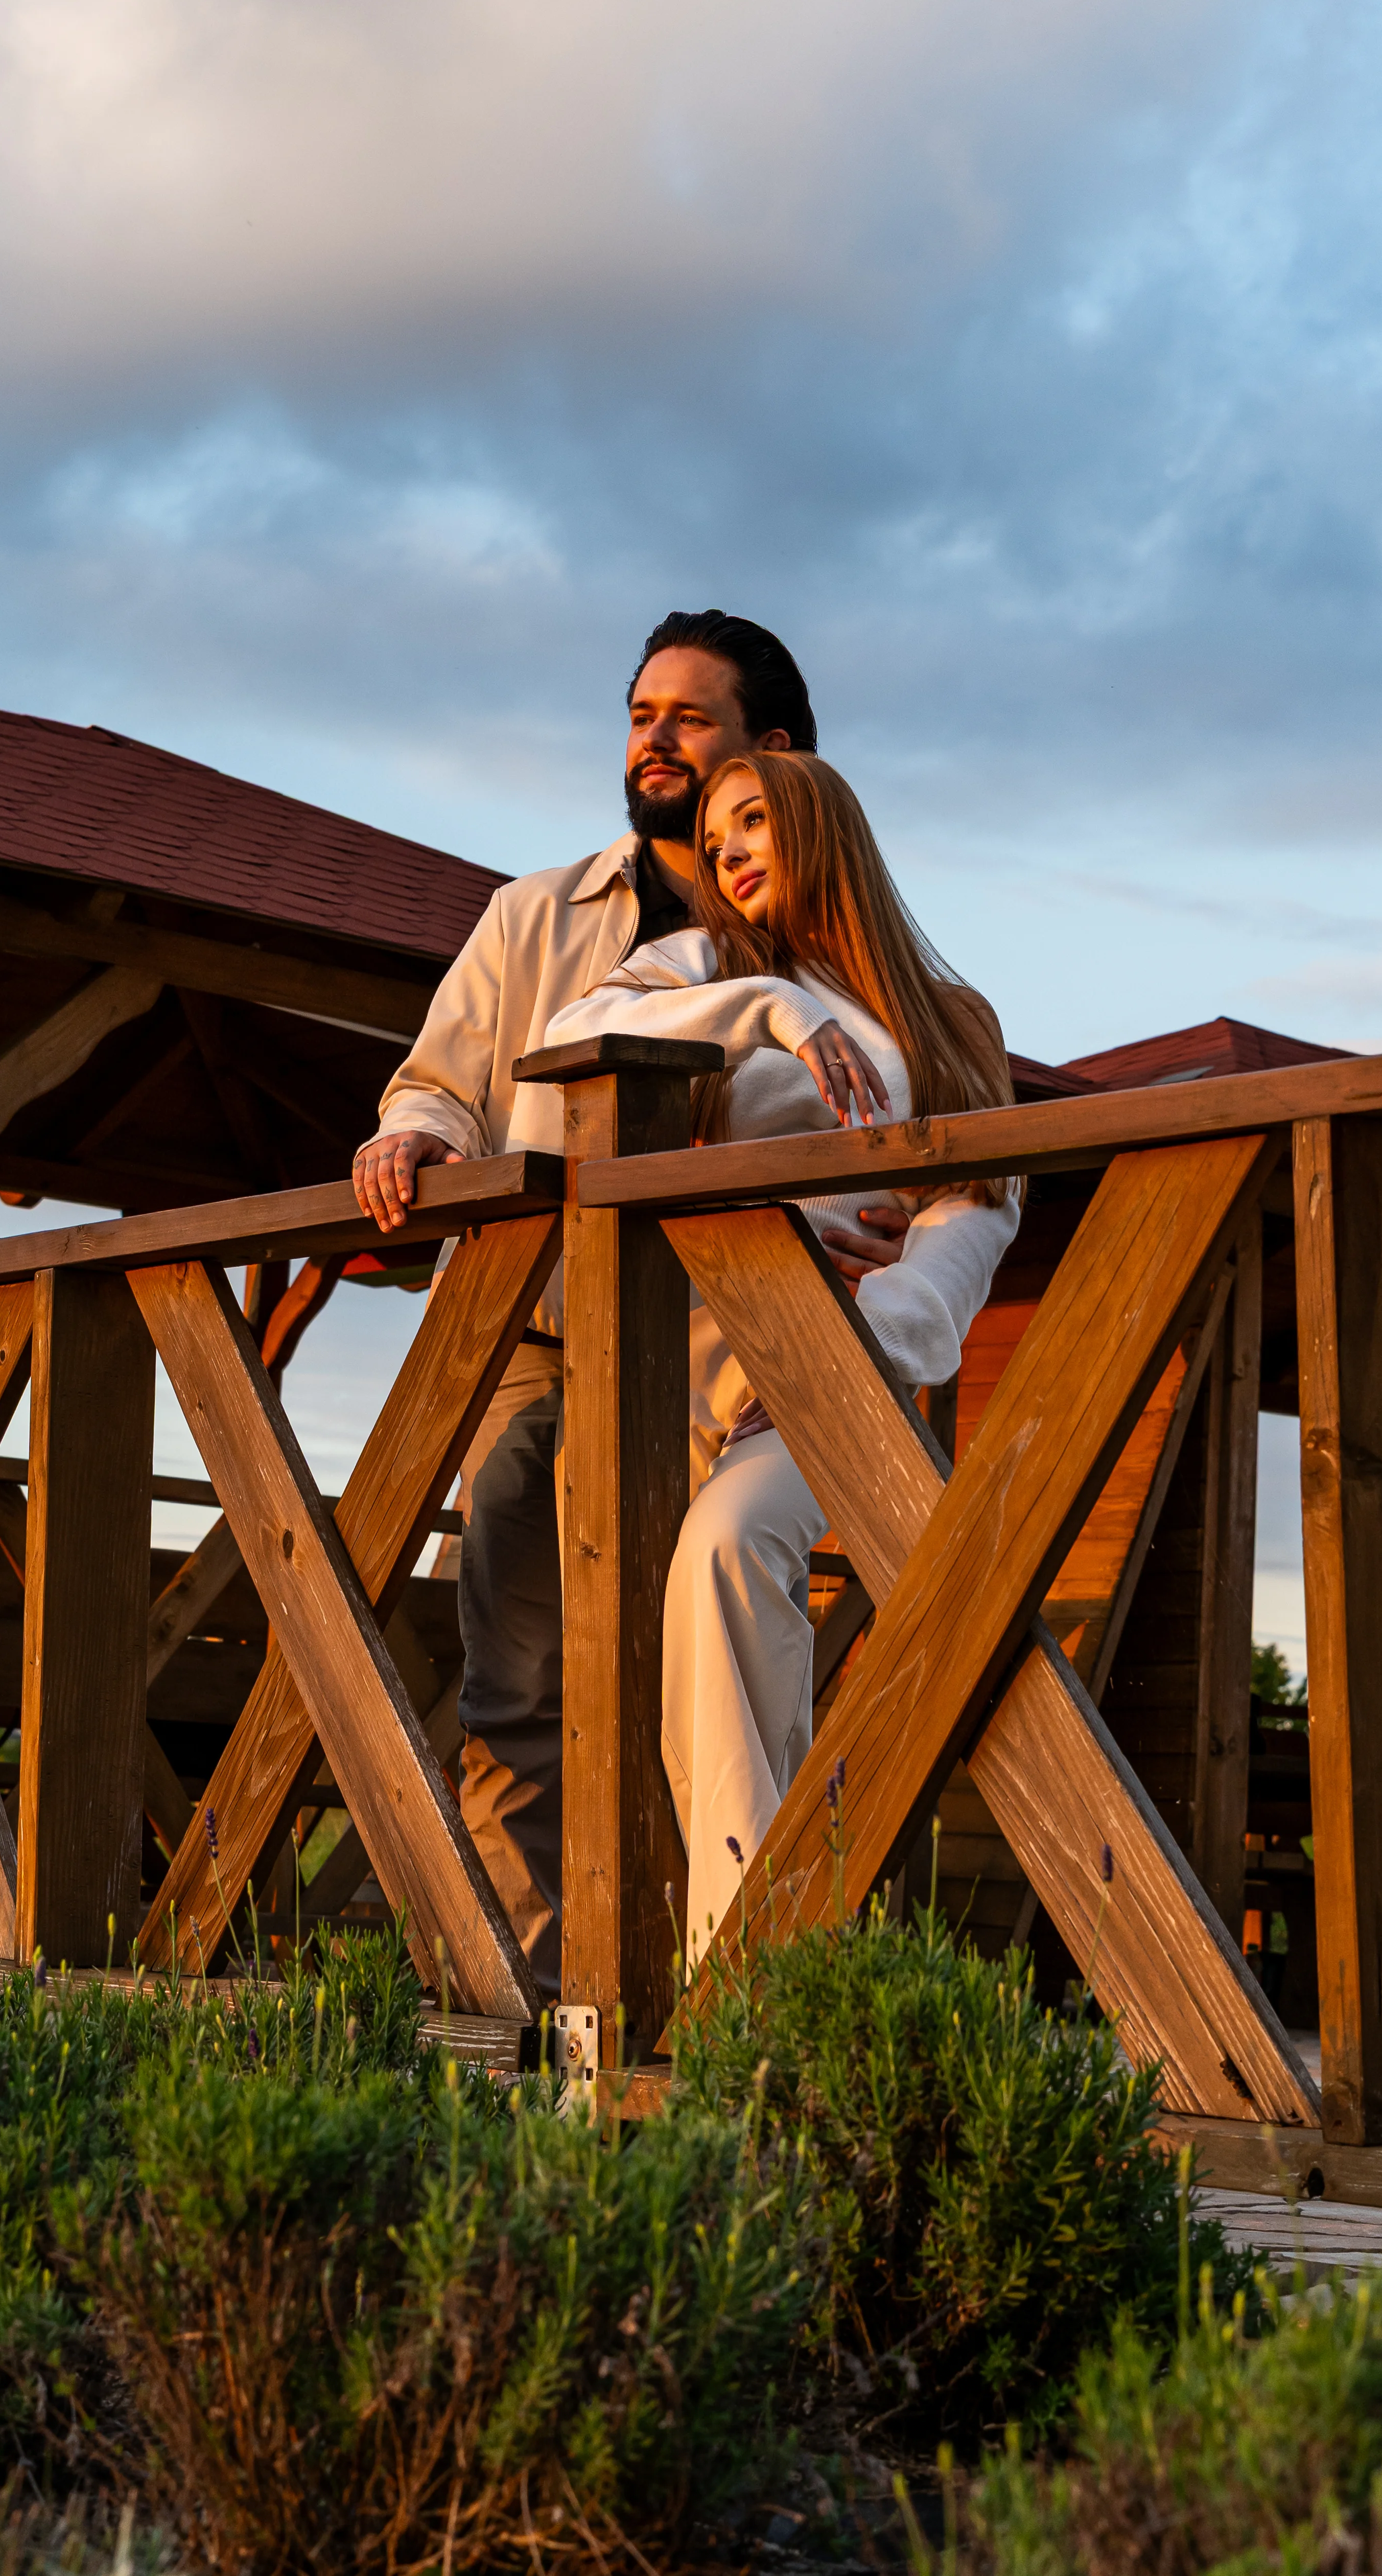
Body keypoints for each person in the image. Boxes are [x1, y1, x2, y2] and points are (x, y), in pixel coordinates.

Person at [348, 612, 909, 1997]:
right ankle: (529, 1993)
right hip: (550, 1330)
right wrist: (414, 1132)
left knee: (726, 1652)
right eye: (639, 711)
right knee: (520, 1676)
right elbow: (450, 1076)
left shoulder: (852, 956)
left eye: (689, 717)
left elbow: (921, 1135)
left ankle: (717, 1984)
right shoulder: (538, 916)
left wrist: (882, 1235)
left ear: (772, 753)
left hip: (753, 1356)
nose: (653, 738)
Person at [546, 751, 1021, 1966]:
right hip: (679, 1369)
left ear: (827, 827)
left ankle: (741, 1960)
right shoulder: (704, 968)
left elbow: (979, 1204)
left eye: (757, 820)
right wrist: (779, 1012)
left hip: (840, 1375)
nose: (735, 851)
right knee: (677, 1659)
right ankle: (780, 1946)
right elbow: (573, 1034)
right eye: (717, 838)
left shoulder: (951, 1017)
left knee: (726, 1549)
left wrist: (879, 1327)